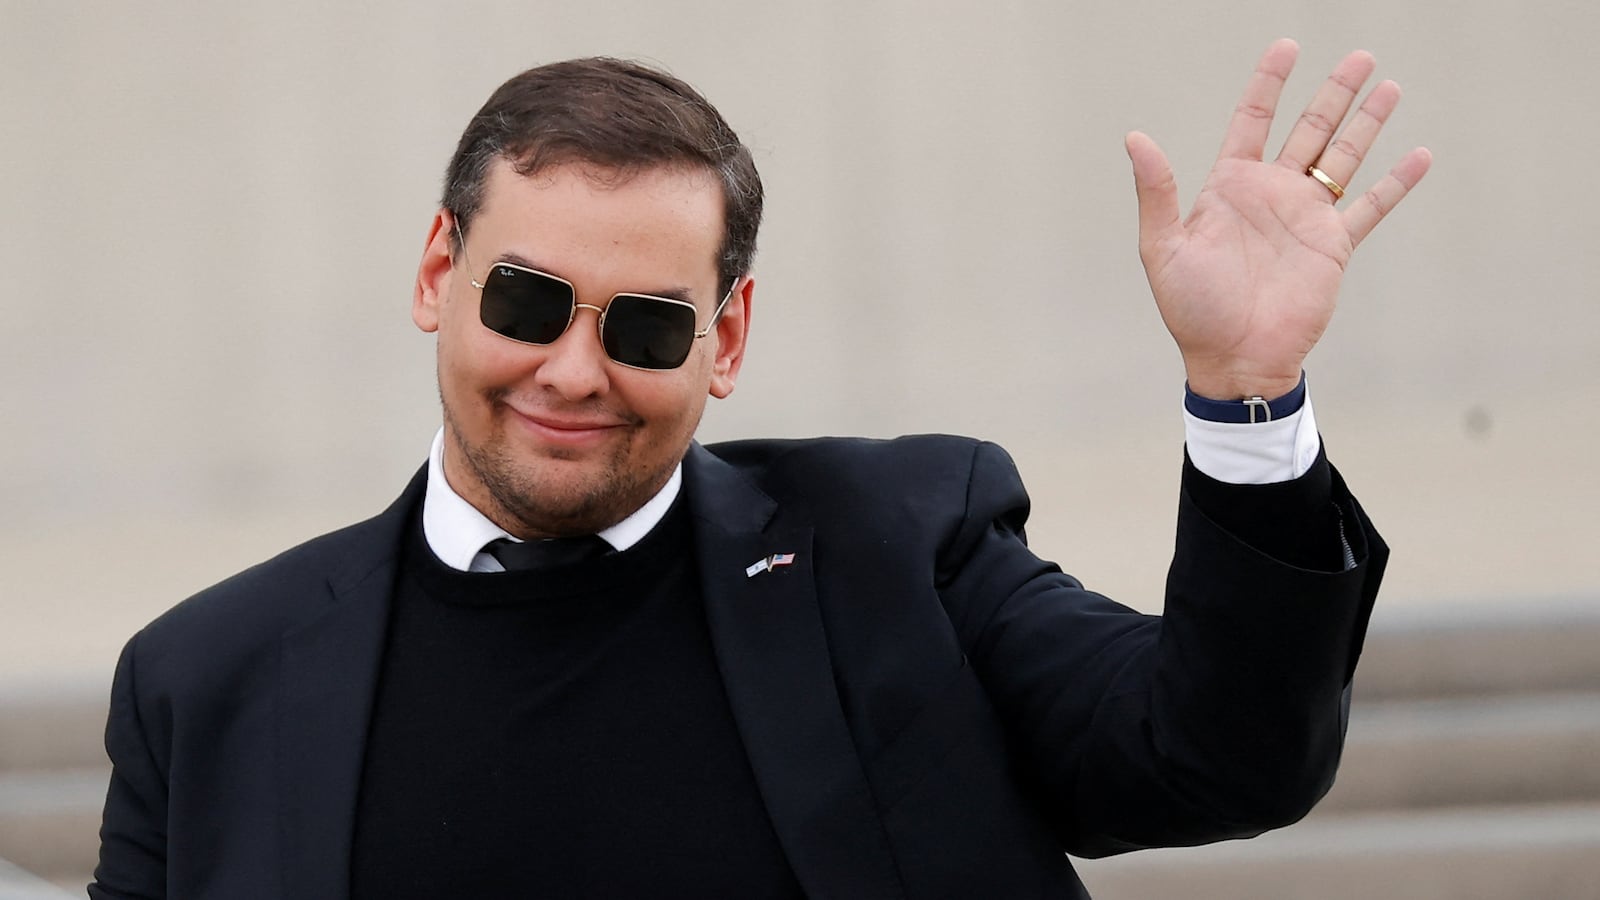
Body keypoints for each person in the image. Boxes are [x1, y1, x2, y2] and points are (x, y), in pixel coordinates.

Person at [90, 39, 1429, 899]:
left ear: (725, 338)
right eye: (527, 303)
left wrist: (1245, 401)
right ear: (441, 272)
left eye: (648, 324)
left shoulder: (897, 550)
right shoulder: (205, 682)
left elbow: (1218, 761)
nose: (573, 369)